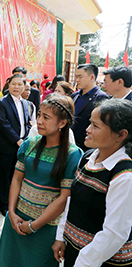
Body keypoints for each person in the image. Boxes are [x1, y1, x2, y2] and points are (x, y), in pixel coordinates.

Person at [0, 94, 82, 267]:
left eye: (46, 117)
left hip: (45, 227)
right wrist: (11, 213)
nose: (39, 121)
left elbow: (64, 198)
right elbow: (17, 179)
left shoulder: (72, 154)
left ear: (62, 123)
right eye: (39, 115)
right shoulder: (30, 143)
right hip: (16, 221)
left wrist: (34, 225)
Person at [53, 99, 132, 267]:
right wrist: (61, 235)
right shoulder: (88, 157)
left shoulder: (124, 176)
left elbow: (114, 233)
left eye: (95, 126)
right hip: (77, 250)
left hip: (100, 259)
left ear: (121, 135)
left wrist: (83, 262)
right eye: (90, 123)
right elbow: (71, 201)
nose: (87, 130)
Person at [0, 74, 32, 216]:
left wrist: (26, 140)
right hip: (6, 147)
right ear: (8, 85)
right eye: (14, 84)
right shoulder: (2, 102)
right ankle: (3, 205)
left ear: (24, 87)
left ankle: (14, 203)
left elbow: (27, 123)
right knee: (4, 178)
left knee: (16, 177)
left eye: (20, 85)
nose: (16, 87)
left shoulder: (25, 103)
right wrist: (18, 140)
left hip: (22, 146)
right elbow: (4, 125)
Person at [71, 64, 110, 151]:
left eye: (80, 77)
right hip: (70, 143)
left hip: (86, 146)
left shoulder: (101, 98)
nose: (77, 80)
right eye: (76, 77)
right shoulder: (74, 95)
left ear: (92, 77)